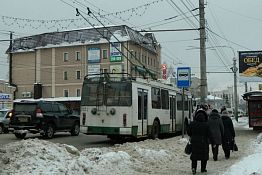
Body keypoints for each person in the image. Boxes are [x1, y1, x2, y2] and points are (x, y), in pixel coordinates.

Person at [187, 109, 210, 174]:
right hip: (203, 142)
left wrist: (192, 135)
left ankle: (194, 168)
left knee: (194, 156)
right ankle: (203, 169)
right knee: (204, 156)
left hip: (194, 142)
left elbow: (188, 132)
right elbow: (209, 134)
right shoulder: (206, 125)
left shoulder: (192, 124)